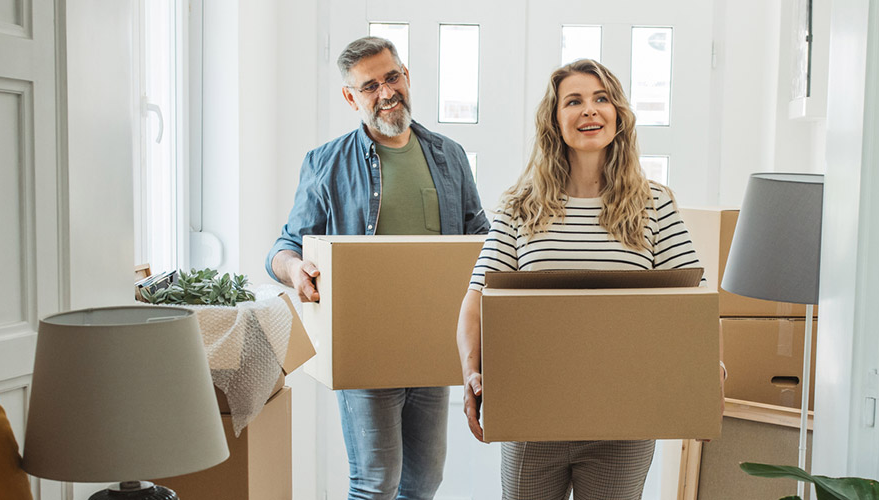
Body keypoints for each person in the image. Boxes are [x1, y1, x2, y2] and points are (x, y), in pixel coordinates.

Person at [454, 59, 705, 499]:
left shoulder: (656, 205)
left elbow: (692, 303)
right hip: (532, 415)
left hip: (624, 421)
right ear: (555, 121)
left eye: (601, 99)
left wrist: (706, 367)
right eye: (574, 101)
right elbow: (477, 299)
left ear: (618, 116)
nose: (589, 110)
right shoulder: (520, 206)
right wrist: (471, 372)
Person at [267, 36, 489, 500]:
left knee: (425, 481)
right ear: (351, 98)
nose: (386, 92)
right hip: (365, 346)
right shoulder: (325, 163)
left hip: (433, 344)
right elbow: (285, 247)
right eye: (370, 86)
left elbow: (481, 239)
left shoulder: (450, 156)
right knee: (375, 483)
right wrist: (294, 270)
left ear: (407, 76)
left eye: (392, 77)